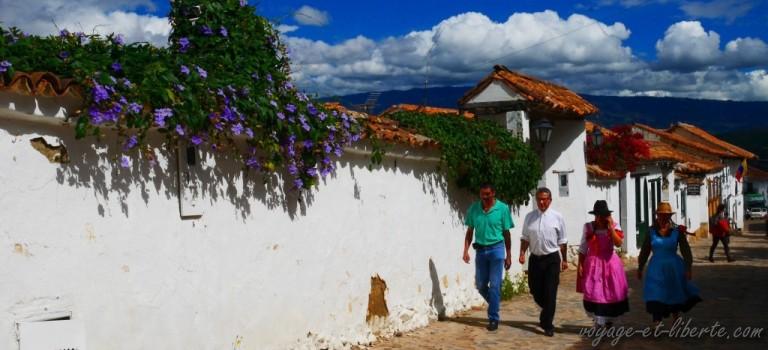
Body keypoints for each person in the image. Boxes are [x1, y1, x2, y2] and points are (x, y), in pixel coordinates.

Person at [637, 202, 702, 325]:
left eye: (666, 215)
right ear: (657, 216)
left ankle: (675, 317)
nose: (663, 217)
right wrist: (640, 267)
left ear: (670, 216)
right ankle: (656, 320)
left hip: (674, 267)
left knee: (673, 291)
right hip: (656, 268)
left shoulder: (677, 232)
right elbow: (645, 250)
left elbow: (685, 250)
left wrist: (688, 267)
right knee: (655, 292)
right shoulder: (651, 232)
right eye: (661, 215)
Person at [462, 183, 513, 332]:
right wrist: (465, 250)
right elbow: (470, 231)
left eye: (487, 194)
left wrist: (508, 255)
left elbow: (507, 234)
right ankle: (495, 302)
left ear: (493, 193)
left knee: (495, 285)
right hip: (481, 251)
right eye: (482, 194)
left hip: (497, 249)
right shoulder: (474, 209)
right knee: (480, 284)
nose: (485, 197)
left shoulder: (502, 209)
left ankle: (493, 318)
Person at [519, 187, 567, 337]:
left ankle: (548, 324)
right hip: (535, 259)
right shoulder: (529, 217)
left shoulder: (557, 217)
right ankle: (546, 310)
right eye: (539, 199)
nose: (541, 202)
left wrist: (564, 260)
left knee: (550, 292)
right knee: (535, 290)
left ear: (550, 200)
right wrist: (521, 253)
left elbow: (563, 240)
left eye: (544, 199)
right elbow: (525, 237)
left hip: (552, 259)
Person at [576, 200, 629, 328]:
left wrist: (610, 228)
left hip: (610, 263)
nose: (599, 218)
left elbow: (618, 243)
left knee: (611, 292)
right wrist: (580, 264)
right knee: (596, 292)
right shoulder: (589, 227)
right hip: (593, 264)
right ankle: (599, 321)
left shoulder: (614, 226)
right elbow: (583, 248)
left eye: (602, 215)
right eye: (597, 215)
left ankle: (608, 320)